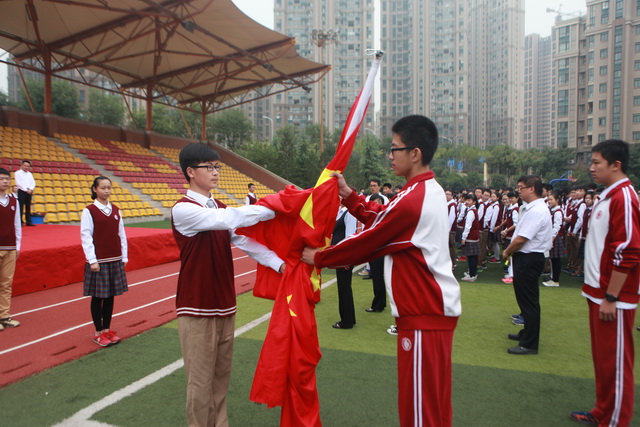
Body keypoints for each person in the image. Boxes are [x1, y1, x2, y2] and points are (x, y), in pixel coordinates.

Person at [302, 115, 461, 427]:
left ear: (415, 153)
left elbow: (370, 240)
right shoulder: (422, 191)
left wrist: (319, 257)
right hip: (430, 311)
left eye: (395, 148)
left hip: (424, 311)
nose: (390, 155)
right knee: (432, 405)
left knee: (419, 411)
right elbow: (381, 218)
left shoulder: (415, 199)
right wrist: (349, 195)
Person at [171, 143, 285, 427]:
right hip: (196, 306)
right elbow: (228, 219)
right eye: (209, 167)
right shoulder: (184, 209)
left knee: (221, 377)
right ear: (190, 172)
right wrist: (273, 208)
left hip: (224, 303)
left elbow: (247, 242)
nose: (216, 172)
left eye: (217, 167)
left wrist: (281, 265)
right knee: (200, 381)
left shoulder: (219, 207)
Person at [570, 139, 639, 427]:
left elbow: (629, 251)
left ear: (616, 165)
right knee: (604, 360)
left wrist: (612, 297)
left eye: (597, 162)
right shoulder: (607, 196)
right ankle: (602, 410)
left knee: (617, 363)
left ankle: (616, 421)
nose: (592, 167)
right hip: (598, 292)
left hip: (614, 297)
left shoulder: (624, 197)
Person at [502, 175, 552, 355]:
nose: (518, 191)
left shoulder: (536, 210)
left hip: (530, 257)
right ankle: (526, 334)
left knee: (529, 301)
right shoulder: (530, 208)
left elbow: (522, 238)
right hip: (526, 257)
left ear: (531, 189)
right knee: (524, 299)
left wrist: (507, 252)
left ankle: (529, 344)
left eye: (521, 187)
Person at [81, 176, 128, 347]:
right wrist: (92, 260)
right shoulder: (89, 211)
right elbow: (86, 236)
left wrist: (124, 256)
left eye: (109, 187)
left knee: (110, 296)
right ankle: (98, 332)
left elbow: (121, 234)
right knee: (98, 297)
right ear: (95, 189)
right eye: (103, 188)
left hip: (115, 259)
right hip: (99, 261)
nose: (107, 191)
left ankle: (107, 329)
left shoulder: (115, 210)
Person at [0, 168, 22, 331]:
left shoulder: (14, 201)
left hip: (10, 247)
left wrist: (18, 246)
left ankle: (4, 315)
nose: (5, 181)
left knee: (6, 283)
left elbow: (17, 225)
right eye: (1, 179)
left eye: (7, 179)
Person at [331, 202, 358, 329]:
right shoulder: (340, 211)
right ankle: (349, 319)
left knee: (344, 288)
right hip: (339, 255)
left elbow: (350, 237)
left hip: (343, 256)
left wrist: (347, 258)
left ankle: (346, 321)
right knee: (343, 287)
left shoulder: (349, 212)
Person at [365, 193, 386, 312]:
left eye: (380, 201)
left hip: (381, 250)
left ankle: (378, 304)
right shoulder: (370, 216)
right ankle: (379, 303)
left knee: (379, 278)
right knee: (377, 278)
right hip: (374, 249)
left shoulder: (384, 216)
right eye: (375, 201)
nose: (377, 204)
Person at [543, 191, 565, 287]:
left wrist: (552, 239)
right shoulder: (552, 210)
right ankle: (553, 277)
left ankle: (555, 280)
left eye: (551, 199)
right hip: (551, 237)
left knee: (555, 259)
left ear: (557, 200)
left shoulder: (558, 212)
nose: (549, 201)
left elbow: (557, 226)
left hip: (555, 237)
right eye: (548, 200)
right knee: (552, 259)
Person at [460, 193, 480, 282]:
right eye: (466, 200)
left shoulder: (471, 212)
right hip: (473, 236)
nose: (467, 202)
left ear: (474, 202)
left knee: (471, 256)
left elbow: (468, 226)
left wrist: (464, 238)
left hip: (470, 237)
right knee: (473, 256)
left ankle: (472, 275)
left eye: (469, 200)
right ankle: (472, 273)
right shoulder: (472, 210)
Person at [14, 160, 36, 226]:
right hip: (22, 191)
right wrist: (26, 190)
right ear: (21, 165)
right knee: (20, 206)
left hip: (29, 191)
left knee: (28, 206)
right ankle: (20, 222)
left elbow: (33, 182)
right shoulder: (17, 173)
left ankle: (28, 221)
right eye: (25, 165)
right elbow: (18, 183)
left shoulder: (30, 174)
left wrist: (31, 189)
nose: (26, 167)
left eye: (28, 166)